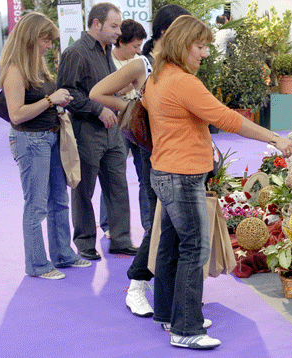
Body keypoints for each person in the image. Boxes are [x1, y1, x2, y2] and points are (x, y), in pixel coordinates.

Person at [141, 15, 292, 349]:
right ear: (184, 44)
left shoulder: (158, 77)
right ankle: (186, 328)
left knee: (171, 245)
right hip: (182, 176)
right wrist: (275, 138)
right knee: (194, 248)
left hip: (164, 172)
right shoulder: (183, 82)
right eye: (200, 46)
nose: (204, 53)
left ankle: (169, 314)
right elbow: (226, 118)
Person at [90, 4, 190, 317]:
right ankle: (137, 284)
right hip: (153, 151)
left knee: (173, 219)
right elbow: (98, 92)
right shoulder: (142, 65)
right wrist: (134, 109)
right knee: (160, 217)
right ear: (166, 32)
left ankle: (167, 287)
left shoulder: (182, 64)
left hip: (180, 151)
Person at [0, 12, 91, 279]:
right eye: (46, 39)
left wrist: (56, 101)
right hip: (31, 141)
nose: (49, 45)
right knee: (37, 205)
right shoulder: (15, 70)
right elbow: (16, 114)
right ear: (31, 38)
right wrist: (51, 100)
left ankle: (63, 254)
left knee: (59, 200)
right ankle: (37, 264)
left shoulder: (36, 66)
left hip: (50, 137)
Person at [57, 2, 138, 261]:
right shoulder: (75, 53)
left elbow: (106, 88)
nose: (118, 32)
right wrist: (97, 109)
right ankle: (84, 242)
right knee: (83, 190)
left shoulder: (105, 52)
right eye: (114, 26)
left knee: (118, 185)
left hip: (112, 131)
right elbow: (67, 93)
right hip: (87, 131)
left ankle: (121, 239)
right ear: (96, 24)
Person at [99, 19, 148, 242]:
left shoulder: (139, 61)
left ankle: (148, 223)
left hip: (138, 121)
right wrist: (126, 86)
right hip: (116, 122)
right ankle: (108, 224)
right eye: (135, 46)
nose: (138, 51)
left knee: (145, 174)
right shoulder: (107, 61)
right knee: (113, 174)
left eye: (140, 46)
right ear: (121, 42)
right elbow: (104, 92)